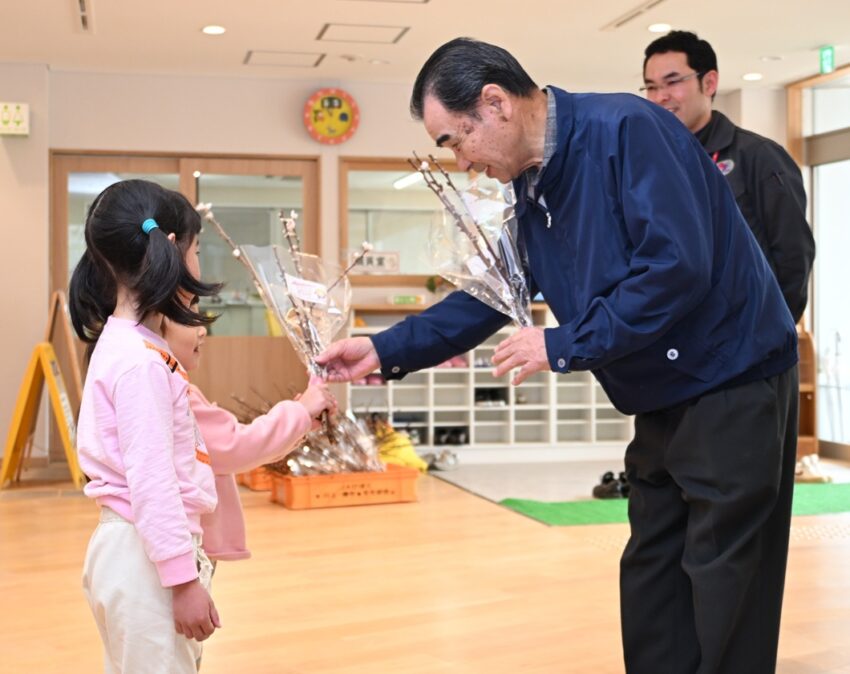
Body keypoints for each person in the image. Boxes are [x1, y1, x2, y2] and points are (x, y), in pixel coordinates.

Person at [317, 38, 799, 674]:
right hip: (660, 393)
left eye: (455, 140)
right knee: (653, 572)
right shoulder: (534, 187)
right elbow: (494, 292)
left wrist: (562, 343)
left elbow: (676, 268)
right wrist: (383, 348)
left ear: (495, 103)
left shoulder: (627, 129)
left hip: (730, 377)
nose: (461, 162)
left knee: (726, 578)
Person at [70, 179, 223, 673]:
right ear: (171, 248)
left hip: (137, 552)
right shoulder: (140, 362)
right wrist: (183, 581)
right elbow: (152, 481)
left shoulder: (130, 344)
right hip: (144, 559)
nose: (198, 261)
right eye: (197, 249)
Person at [643, 30, 815, 323]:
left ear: (709, 83)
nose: (661, 97)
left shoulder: (757, 156)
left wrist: (768, 331)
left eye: (673, 82)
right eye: (651, 87)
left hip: (748, 336)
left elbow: (793, 255)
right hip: (679, 335)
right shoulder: (650, 164)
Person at [161, 297, 337, 562]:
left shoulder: (173, 386)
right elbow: (236, 446)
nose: (202, 330)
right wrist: (300, 411)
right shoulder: (178, 394)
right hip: (184, 545)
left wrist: (301, 419)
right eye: (188, 318)